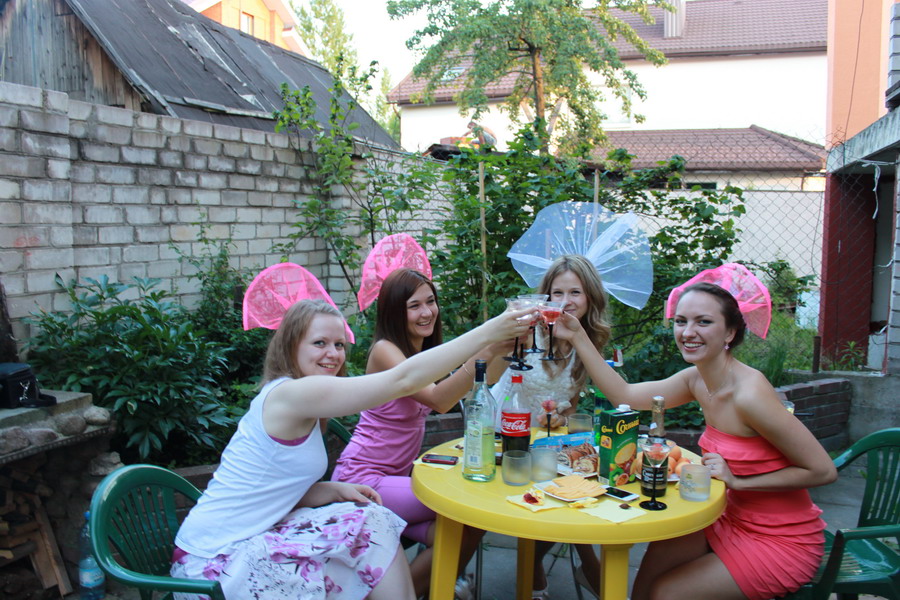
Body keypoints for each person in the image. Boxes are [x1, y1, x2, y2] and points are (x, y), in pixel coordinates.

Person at [171, 298, 532, 600]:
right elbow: (403, 379)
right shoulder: (292, 394)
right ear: (290, 345)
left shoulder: (304, 400)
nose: (333, 354)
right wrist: (491, 330)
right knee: (367, 531)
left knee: (371, 520)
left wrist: (331, 489)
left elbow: (266, 484)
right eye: (319, 343)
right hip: (214, 560)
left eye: (339, 345)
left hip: (253, 535)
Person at [552, 268, 838, 600]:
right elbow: (624, 395)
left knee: (664, 593)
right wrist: (578, 336)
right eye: (681, 321)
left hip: (780, 540)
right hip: (722, 516)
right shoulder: (697, 379)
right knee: (644, 587)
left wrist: (738, 482)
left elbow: (822, 471)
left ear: (730, 331)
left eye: (703, 322)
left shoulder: (749, 394)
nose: (688, 332)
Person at [333, 268, 510, 597]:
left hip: (394, 481)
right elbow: (440, 400)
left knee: (468, 525)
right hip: (362, 480)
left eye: (431, 301)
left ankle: (434, 589)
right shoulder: (385, 351)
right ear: (394, 312)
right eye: (414, 306)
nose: (426, 312)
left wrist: (506, 350)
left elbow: (482, 380)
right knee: (465, 500)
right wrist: (487, 347)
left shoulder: (419, 352)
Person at [493, 255, 611, 600]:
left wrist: (559, 416)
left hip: (546, 441)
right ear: (545, 297)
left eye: (575, 292)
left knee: (579, 490)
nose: (565, 301)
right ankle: (585, 573)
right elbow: (487, 379)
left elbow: (568, 402)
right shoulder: (529, 332)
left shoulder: (585, 340)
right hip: (508, 433)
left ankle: (536, 567)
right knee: (566, 496)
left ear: (590, 297)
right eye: (557, 293)